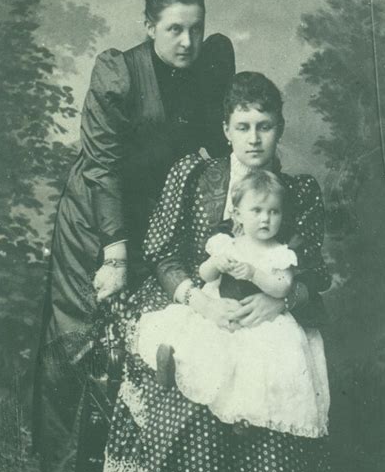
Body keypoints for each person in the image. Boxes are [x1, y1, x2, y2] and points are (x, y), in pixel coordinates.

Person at [100, 71, 332, 472]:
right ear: (225, 129)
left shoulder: (299, 192)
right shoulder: (193, 175)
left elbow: (314, 271)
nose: (254, 138)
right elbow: (160, 251)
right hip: (200, 302)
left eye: (265, 126)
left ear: (280, 130)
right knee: (196, 393)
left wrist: (284, 301)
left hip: (271, 314)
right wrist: (195, 299)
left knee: (273, 387)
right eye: (243, 126)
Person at [32, 0, 235, 472]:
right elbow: (102, 169)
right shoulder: (119, 73)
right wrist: (115, 254)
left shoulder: (210, 66)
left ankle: (130, 469)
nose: (187, 41)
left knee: (144, 331)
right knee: (83, 331)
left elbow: (217, 147)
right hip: (96, 216)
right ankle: (69, 468)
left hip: (157, 218)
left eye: (195, 27)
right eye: (173, 29)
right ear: (149, 26)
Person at [136, 170, 329, 439]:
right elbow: (204, 275)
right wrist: (216, 263)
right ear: (237, 215)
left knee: (253, 361)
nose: (265, 219)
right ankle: (171, 362)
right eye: (257, 211)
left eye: (273, 212)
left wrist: (254, 273)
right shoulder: (226, 243)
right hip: (220, 309)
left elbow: (282, 286)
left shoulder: (279, 252)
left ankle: (244, 415)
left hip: (257, 320)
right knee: (197, 337)